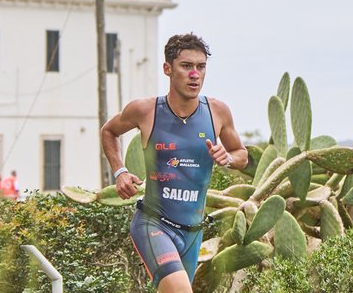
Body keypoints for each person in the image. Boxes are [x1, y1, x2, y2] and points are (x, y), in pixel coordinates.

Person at [100, 33, 247, 293]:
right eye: (186, 66)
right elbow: (109, 131)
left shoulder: (217, 112)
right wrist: (120, 171)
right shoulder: (146, 111)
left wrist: (229, 159)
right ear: (168, 69)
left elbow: (241, 154)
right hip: (153, 224)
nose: (195, 74)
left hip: (192, 233)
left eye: (201, 67)